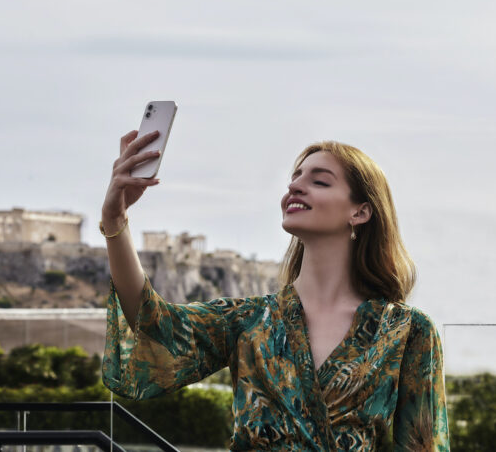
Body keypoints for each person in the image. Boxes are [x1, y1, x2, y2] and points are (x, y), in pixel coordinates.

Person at [100, 130, 450, 451]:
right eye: (294, 179)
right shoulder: (249, 320)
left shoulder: (407, 331)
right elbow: (153, 326)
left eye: (320, 182)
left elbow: (423, 445)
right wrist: (116, 220)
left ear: (360, 212)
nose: (295, 188)